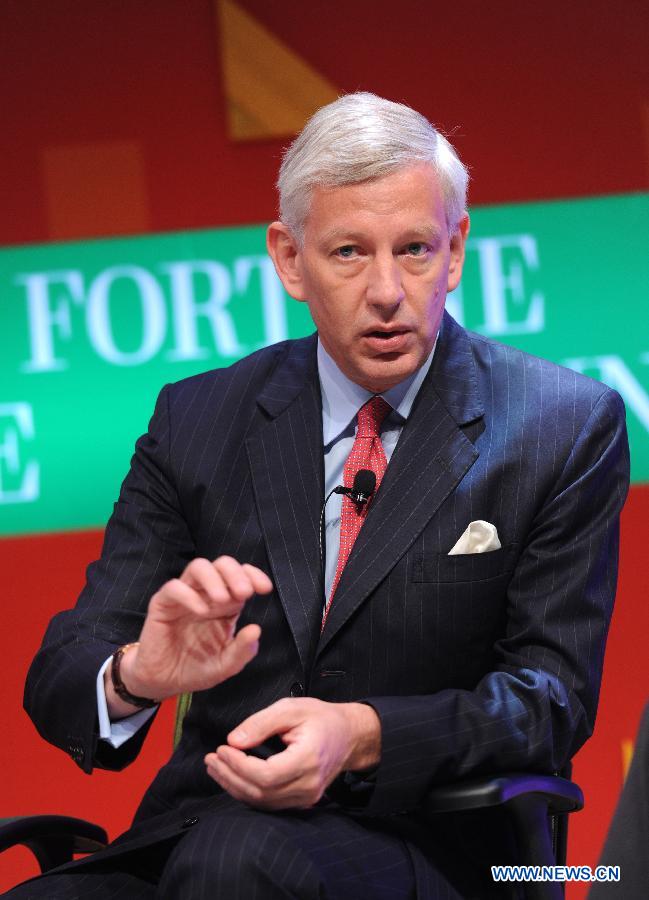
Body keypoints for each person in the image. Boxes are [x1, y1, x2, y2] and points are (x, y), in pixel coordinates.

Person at [10, 93, 629, 898]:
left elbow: (548, 702)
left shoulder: (558, 426)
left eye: (413, 249)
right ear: (288, 258)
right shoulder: (199, 419)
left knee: (230, 868)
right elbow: (59, 675)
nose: (386, 290)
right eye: (346, 253)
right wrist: (136, 674)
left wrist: (363, 734)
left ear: (455, 251)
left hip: (433, 845)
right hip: (202, 833)